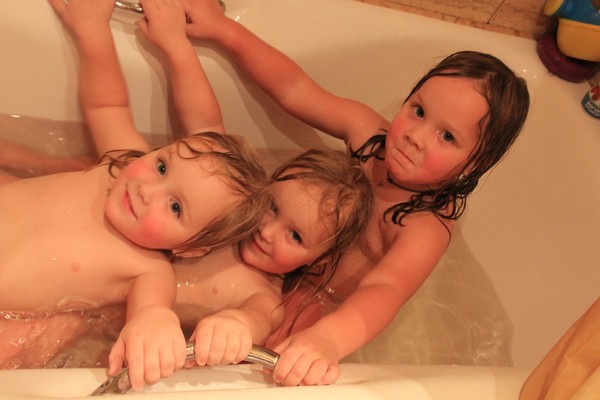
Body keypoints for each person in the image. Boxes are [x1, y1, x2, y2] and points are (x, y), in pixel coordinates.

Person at [1, 0, 373, 382]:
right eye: (272, 206)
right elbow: (123, 109)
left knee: (46, 333)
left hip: (87, 305)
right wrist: (107, 33)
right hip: (50, 250)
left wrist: (232, 326)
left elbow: (252, 319)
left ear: (316, 261)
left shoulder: (232, 281)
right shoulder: (180, 184)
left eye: (295, 236)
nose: (266, 230)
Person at [178, 0, 531, 386]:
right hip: (274, 252)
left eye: (446, 136)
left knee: (261, 370)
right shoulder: (368, 136)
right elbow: (294, 88)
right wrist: (223, 30)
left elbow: (385, 289)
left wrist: (327, 339)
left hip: (316, 303)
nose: (416, 136)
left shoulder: (424, 227)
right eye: (418, 111)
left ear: (476, 162)